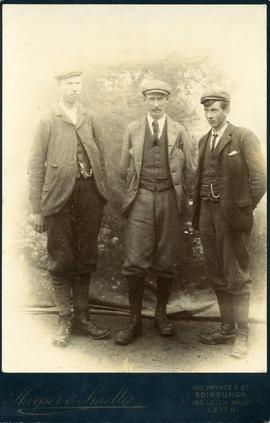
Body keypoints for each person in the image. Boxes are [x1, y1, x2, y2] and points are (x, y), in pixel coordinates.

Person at [28, 69, 110, 346]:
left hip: (89, 195)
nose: (75, 88)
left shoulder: (88, 117)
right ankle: (64, 319)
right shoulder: (47, 120)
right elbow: (35, 166)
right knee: (61, 257)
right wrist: (36, 208)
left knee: (86, 256)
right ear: (60, 87)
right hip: (59, 197)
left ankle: (83, 318)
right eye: (70, 84)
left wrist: (102, 194)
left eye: (79, 84)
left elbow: (101, 157)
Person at [115, 79, 193, 345]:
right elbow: (122, 169)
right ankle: (134, 320)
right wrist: (133, 194)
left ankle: (161, 315)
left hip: (170, 199)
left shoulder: (180, 131)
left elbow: (190, 170)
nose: (156, 103)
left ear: (167, 101)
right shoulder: (133, 130)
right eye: (152, 98)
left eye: (161, 98)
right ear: (145, 101)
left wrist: (183, 200)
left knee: (166, 259)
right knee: (135, 261)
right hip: (141, 198)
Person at [192, 90, 266, 358]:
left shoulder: (243, 137)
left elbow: (260, 178)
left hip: (231, 218)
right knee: (216, 272)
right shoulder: (203, 141)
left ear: (226, 110)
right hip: (206, 216)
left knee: (236, 274)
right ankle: (226, 329)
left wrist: (242, 207)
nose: (210, 116)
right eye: (207, 111)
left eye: (214, 110)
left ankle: (242, 336)